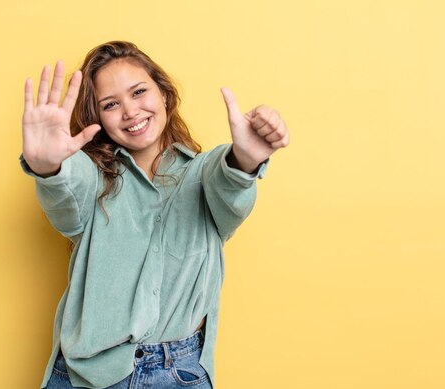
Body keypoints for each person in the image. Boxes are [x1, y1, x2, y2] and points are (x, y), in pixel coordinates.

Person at [19, 41, 289, 389]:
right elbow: (67, 198)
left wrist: (246, 160)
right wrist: (48, 167)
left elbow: (229, 182)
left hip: (177, 374)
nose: (130, 111)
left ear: (164, 94)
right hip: (86, 376)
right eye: (111, 104)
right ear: (98, 118)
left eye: (139, 92)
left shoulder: (204, 172)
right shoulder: (93, 176)